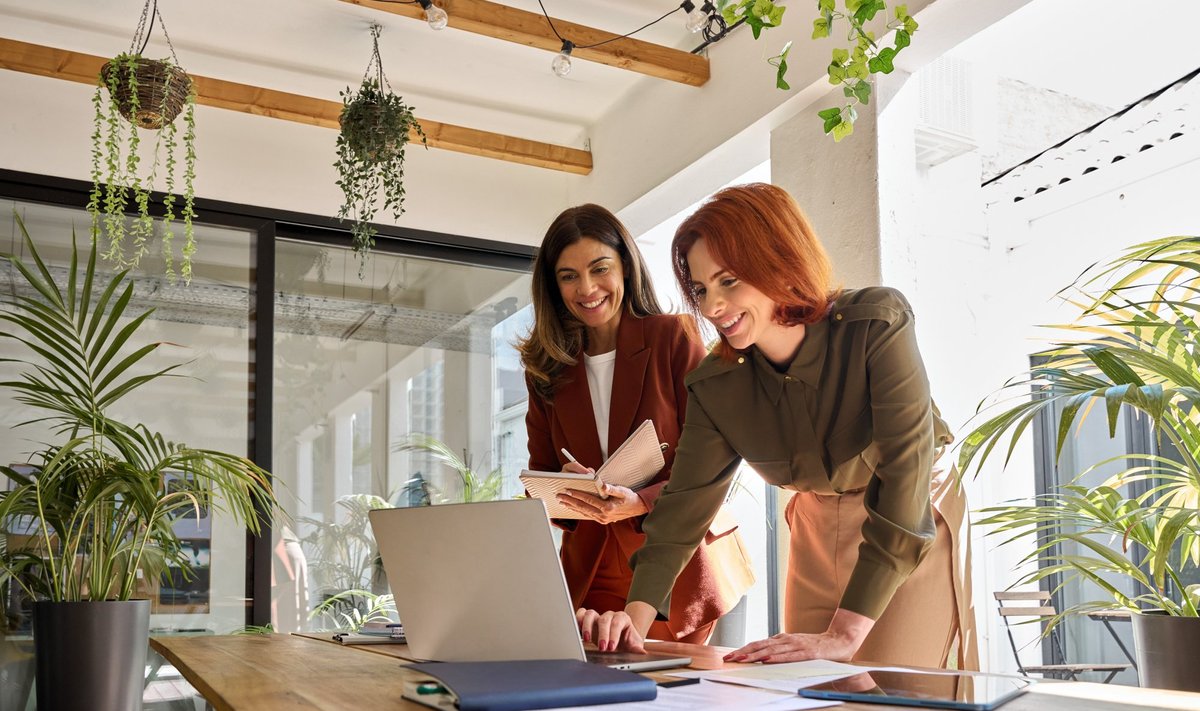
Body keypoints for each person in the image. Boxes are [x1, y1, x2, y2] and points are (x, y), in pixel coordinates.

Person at [575, 183, 977, 668]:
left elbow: (904, 476)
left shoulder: (875, 326)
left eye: (728, 281)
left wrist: (844, 634)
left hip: (909, 517)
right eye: (701, 289)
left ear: (778, 260)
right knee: (805, 688)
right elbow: (683, 510)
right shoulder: (716, 385)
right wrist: (631, 624)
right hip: (813, 522)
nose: (710, 307)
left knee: (905, 692)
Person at [518, 204, 754, 646]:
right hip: (593, 567)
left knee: (670, 695)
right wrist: (564, 488)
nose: (586, 288)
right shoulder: (545, 369)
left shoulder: (673, 338)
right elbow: (540, 479)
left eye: (599, 268)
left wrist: (639, 500)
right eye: (568, 276)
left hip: (677, 561)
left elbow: (713, 461)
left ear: (625, 265)